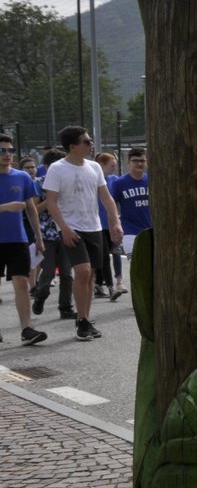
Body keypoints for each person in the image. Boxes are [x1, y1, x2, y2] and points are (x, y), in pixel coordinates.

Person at [42, 127, 122, 341]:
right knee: (84, 271)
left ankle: (85, 319)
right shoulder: (57, 169)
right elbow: (51, 202)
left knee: (92, 275)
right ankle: (81, 320)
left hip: (93, 226)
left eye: (90, 141)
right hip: (71, 228)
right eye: (86, 142)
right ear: (73, 146)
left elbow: (106, 198)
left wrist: (115, 222)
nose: (91, 145)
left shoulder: (94, 167)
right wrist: (64, 228)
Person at [0, 134, 48, 345]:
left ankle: (27, 329)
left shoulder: (22, 177)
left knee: (22, 282)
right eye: (2, 151)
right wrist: (6, 208)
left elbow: (31, 209)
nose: (7, 155)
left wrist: (38, 237)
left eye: (10, 150)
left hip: (18, 239)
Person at [30, 148, 75, 321]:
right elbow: (33, 210)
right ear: (47, 167)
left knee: (66, 273)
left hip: (65, 233)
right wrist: (50, 201)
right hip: (46, 235)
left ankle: (66, 307)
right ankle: (40, 296)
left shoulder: (66, 182)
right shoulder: (38, 183)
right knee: (48, 272)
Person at [109, 147, 152, 300]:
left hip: (151, 230)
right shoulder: (120, 183)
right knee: (137, 267)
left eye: (142, 160)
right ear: (128, 162)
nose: (139, 164)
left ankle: (150, 297)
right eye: (135, 161)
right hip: (130, 232)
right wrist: (114, 226)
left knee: (152, 267)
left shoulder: (152, 180)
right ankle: (139, 298)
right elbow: (111, 204)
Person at [94, 152, 120, 298]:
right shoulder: (93, 179)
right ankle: (109, 286)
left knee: (114, 252)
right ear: (101, 165)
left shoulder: (114, 180)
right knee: (104, 256)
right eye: (112, 165)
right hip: (97, 223)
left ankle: (104, 283)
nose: (114, 168)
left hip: (111, 223)